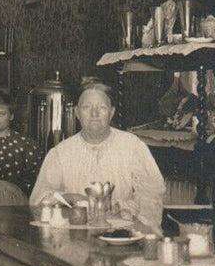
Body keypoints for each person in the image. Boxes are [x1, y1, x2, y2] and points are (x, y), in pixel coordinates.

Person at [29, 79, 166, 229]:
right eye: (86, 107)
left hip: (122, 235)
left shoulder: (133, 146)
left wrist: (124, 211)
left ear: (111, 112)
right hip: (75, 238)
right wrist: (71, 198)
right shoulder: (61, 152)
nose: (94, 114)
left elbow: (152, 194)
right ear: (76, 113)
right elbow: (38, 200)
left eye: (101, 107)